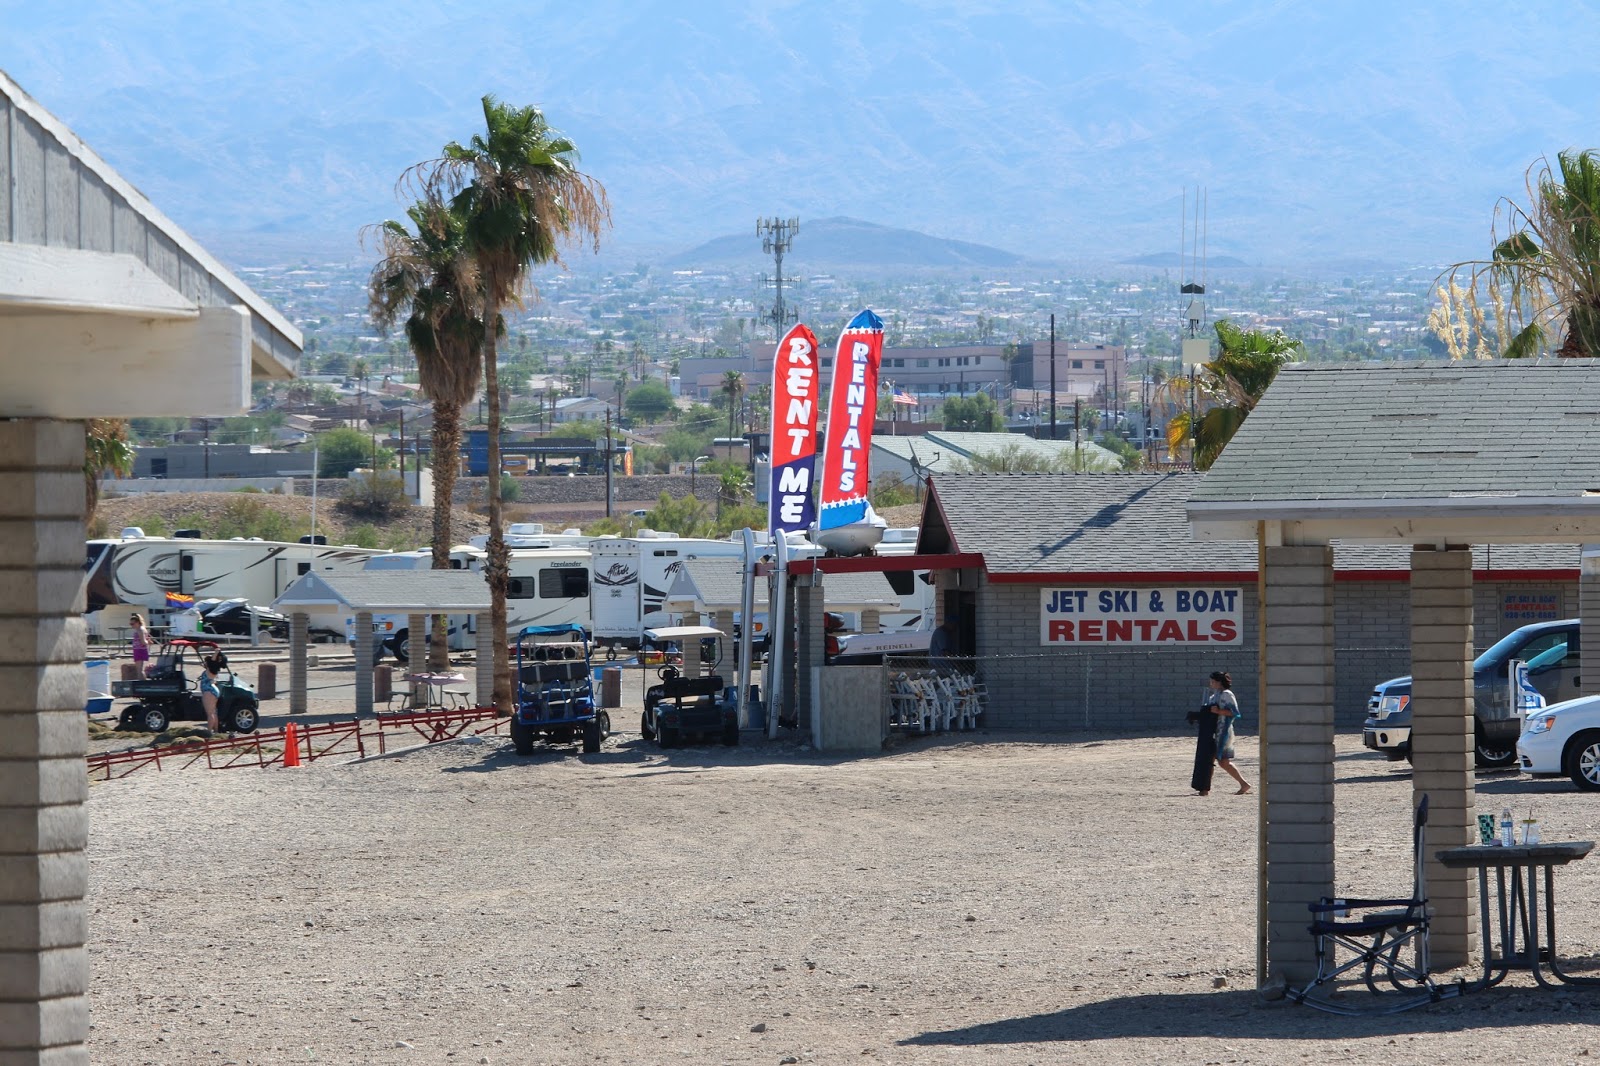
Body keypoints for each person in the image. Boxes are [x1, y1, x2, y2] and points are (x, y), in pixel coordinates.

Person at [1205, 670, 1251, 795]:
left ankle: (1244, 784)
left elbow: (1235, 713)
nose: (1211, 684)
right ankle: (1204, 787)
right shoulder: (1214, 696)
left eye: (1213, 681)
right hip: (1214, 731)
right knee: (1210, 759)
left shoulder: (1227, 695)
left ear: (1219, 682)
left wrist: (1219, 711)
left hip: (1224, 732)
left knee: (1223, 761)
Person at [198, 652, 225, 733]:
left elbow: (212, 661)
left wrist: (216, 651)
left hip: (208, 691)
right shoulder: (213, 671)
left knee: (210, 713)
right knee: (214, 712)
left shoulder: (210, 669)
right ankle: (216, 731)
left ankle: (209, 732)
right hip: (213, 690)